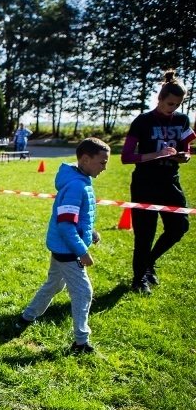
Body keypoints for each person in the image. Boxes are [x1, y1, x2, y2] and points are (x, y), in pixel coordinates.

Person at [15, 138, 111, 354]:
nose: (105, 168)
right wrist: (82, 252)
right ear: (86, 159)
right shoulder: (76, 185)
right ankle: (80, 342)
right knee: (84, 292)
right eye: (102, 162)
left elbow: (76, 219)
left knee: (54, 285)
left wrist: (90, 232)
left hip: (62, 246)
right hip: (68, 250)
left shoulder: (81, 180)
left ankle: (26, 317)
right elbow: (66, 225)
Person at [121, 70, 193, 294]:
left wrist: (183, 156)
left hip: (171, 181)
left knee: (179, 227)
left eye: (177, 104)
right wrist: (154, 155)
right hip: (145, 183)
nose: (173, 108)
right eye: (170, 103)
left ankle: (149, 263)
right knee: (145, 234)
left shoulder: (182, 120)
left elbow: (187, 150)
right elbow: (126, 156)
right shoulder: (142, 121)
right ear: (160, 98)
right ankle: (138, 279)